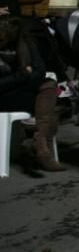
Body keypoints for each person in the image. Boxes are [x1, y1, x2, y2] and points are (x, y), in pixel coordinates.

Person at [0, 17, 64, 171]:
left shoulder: (25, 43)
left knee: (48, 84)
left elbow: (39, 71)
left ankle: (40, 140)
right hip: (4, 97)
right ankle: (41, 143)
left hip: (22, 91)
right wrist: (21, 77)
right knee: (49, 103)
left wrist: (24, 79)